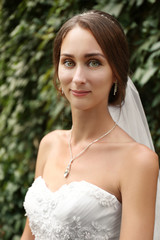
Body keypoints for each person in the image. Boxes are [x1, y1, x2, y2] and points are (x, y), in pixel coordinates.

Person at [21, 10, 159, 240]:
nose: (78, 77)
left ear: (116, 72)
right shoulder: (49, 144)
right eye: (68, 62)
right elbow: (30, 234)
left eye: (93, 62)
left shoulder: (138, 161)